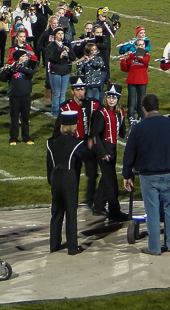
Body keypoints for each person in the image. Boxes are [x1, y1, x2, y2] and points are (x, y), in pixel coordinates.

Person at [122, 94, 170, 256]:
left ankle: (154, 247)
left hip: (148, 176)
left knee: (152, 212)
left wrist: (127, 175)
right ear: (158, 107)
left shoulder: (139, 128)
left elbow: (129, 153)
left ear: (144, 109)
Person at [46, 111, 87, 255]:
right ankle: (72, 247)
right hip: (69, 177)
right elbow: (83, 161)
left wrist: (51, 181)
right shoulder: (78, 143)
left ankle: (54, 245)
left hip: (55, 177)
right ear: (74, 126)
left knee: (56, 212)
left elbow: (49, 165)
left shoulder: (51, 142)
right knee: (71, 212)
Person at [55, 77, 100, 208]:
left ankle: (90, 200)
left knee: (92, 173)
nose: (81, 92)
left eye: (83, 89)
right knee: (73, 175)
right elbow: (58, 128)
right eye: (78, 89)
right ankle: (71, 200)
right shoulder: (66, 107)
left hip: (88, 145)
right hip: (73, 145)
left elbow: (99, 122)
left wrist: (93, 136)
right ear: (72, 91)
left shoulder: (94, 104)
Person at [91, 84, 129, 220]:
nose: (112, 100)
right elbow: (96, 136)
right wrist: (103, 153)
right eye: (110, 97)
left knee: (105, 180)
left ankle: (98, 206)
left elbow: (123, 133)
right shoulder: (101, 113)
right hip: (103, 150)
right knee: (111, 182)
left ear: (119, 99)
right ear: (106, 98)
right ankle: (115, 211)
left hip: (113, 149)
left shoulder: (121, 113)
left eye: (115, 98)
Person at [0, 50, 37, 145]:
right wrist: (6, 71)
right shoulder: (12, 66)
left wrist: (19, 68)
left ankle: (26, 137)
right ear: (18, 58)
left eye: (26, 56)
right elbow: (2, 79)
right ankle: (13, 138)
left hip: (25, 94)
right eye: (23, 56)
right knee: (14, 118)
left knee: (25, 117)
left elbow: (31, 73)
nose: (26, 57)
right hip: (14, 95)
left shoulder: (30, 64)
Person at [120, 38, 150, 122]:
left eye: (143, 45)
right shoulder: (131, 56)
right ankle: (131, 120)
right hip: (132, 81)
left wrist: (134, 56)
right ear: (136, 46)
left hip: (142, 81)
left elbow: (144, 61)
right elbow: (125, 69)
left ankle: (141, 119)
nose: (141, 46)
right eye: (139, 45)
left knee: (141, 103)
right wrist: (123, 60)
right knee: (131, 103)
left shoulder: (146, 55)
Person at [46, 27, 73, 117]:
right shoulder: (51, 46)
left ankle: (62, 112)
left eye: (62, 33)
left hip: (65, 71)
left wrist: (69, 52)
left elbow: (73, 57)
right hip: (55, 71)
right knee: (57, 93)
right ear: (55, 35)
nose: (61, 35)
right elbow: (49, 58)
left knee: (63, 93)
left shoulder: (67, 44)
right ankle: (55, 113)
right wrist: (59, 56)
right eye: (59, 33)